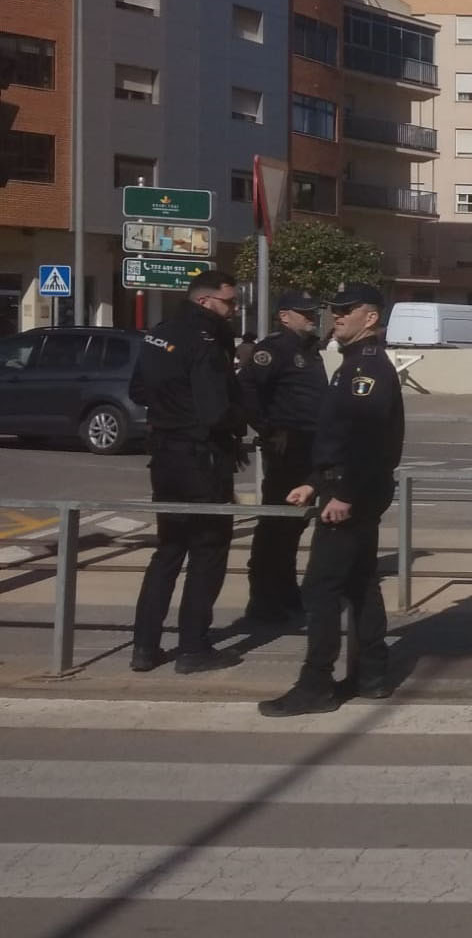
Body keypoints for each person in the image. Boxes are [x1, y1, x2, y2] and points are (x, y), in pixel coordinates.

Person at [259, 283, 405, 717]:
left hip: (352, 492)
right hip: (347, 486)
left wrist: (341, 492)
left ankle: (316, 684)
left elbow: (365, 440)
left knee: (321, 589)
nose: (336, 317)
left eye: (346, 310)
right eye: (334, 310)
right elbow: (337, 437)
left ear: (371, 318)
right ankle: (372, 674)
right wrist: (312, 480)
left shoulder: (366, 370)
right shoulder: (351, 365)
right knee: (359, 583)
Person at [129, 270, 246, 674]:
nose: (233, 310)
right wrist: (239, 423)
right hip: (201, 457)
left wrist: (173, 408)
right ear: (205, 301)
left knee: (168, 550)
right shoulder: (205, 341)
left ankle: (144, 647)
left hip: (164, 455)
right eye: (228, 303)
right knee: (208, 551)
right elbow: (216, 410)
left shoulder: (158, 334)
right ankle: (193, 648)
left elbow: (138, 391)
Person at [236, 289, 325, 626]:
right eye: (304, 313)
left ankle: (284, 594)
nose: (311, 318)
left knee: (293, 524)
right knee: (277, 524)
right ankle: (265, 599)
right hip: (288, 444)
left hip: (309, 444)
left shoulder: (307, 349)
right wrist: (268, 428)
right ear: (284, 316)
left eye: (313, 312)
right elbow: (246, 389)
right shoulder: (274, 348)